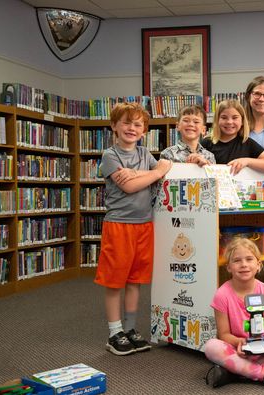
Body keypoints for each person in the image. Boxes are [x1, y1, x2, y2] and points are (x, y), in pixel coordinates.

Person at [94, 102, 172, 356]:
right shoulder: (110, 156)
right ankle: (114, 332)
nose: (131, 128)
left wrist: (140, 174)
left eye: (137, 124)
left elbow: (142, 180)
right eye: (126, 122)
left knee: (135, 281)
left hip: (144, 225)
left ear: (144, 130)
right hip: (119, 225)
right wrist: (156, 172)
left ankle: (129, 329)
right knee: (115, 281)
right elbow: (129, 187)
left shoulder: (145, 154)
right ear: (114, 126)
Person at [204, 238, 264, 388]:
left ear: (258, 265)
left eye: (249, 259)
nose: (244, 264)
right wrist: (239, 342)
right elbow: (223, 335)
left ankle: (235, 372)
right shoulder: (222, 295)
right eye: (237, 260)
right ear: (229, 267)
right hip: (237, 349)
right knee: (211, 347)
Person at [201, 99, 264, 175]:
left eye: (235, 118)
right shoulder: (207, 142)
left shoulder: (247, 143)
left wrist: (246, 161)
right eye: (224, 118)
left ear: (242, 121)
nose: (229, 122)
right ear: (217, 120)